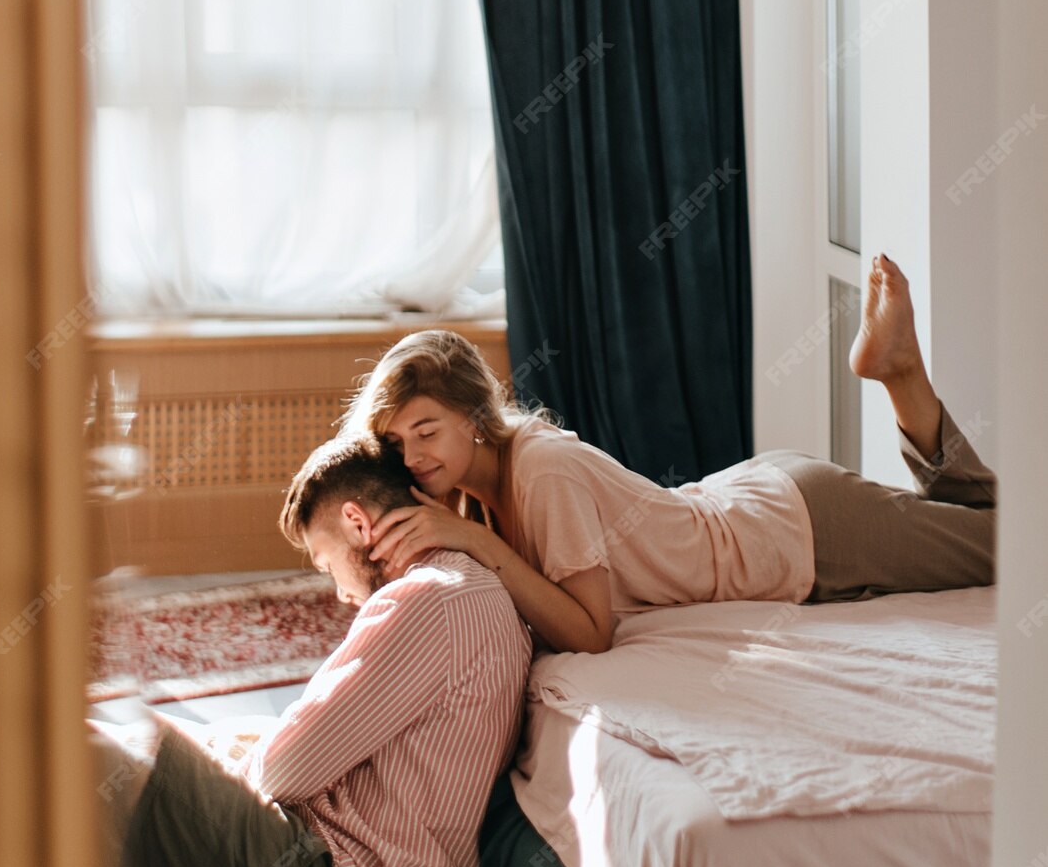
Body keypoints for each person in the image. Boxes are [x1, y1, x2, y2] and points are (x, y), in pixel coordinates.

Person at [88, 436, 531, 867]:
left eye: (326, 563)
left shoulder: (426, 601)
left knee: (78, 747)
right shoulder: (477, 598)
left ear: (357, 523)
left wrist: (225, 756)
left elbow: (283, 771)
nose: (341, 593)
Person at [348, 254, 996, 658]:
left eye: (426, 430)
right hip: (757, 502)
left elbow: (591, 632)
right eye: (397, 441)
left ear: (472, 418)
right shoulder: (474, 490)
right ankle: (901, 373)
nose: (412, 455)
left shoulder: (538, 471)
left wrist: (475, 543)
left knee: (1009, 547)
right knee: (985, 524)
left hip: (799, 530)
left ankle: (902, 374)